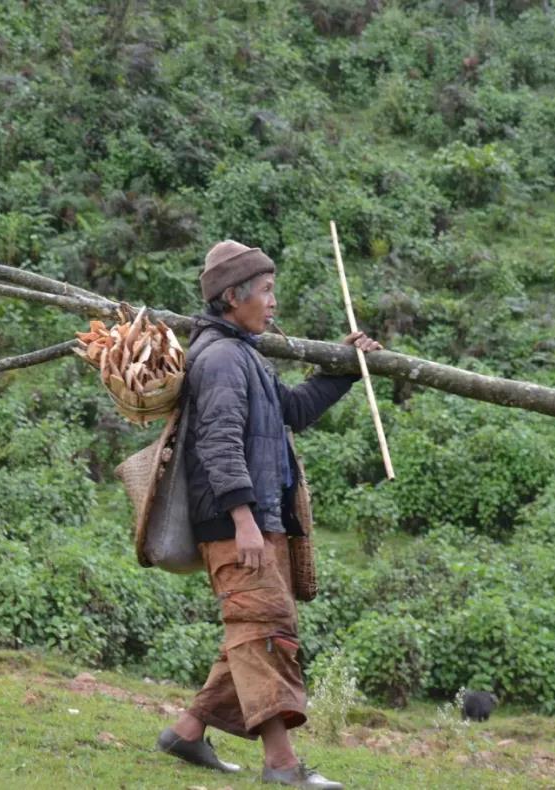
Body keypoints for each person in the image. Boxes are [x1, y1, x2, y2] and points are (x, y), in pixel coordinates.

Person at [156, 240, 382, 789]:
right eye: (266, 291)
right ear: (233, 297)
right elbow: (218, 443)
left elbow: (294, 411)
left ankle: (186, 733)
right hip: (237, 522)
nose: (273, 301)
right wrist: (244, 519)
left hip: (259, 518)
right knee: (263, 631)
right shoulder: (220, 360)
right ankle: (283, 766)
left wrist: (345, 367)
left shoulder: (246, 356)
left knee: (252, 628)